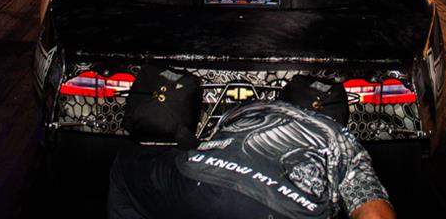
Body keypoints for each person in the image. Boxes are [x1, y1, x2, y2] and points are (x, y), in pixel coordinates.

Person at [108, 76, 396, 219]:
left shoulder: (257, 108)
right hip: (287, 210)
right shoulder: (343, 142)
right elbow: (373, 213)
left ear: (287, 99)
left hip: (206, 186)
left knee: (125, 167)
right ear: (340, 117)